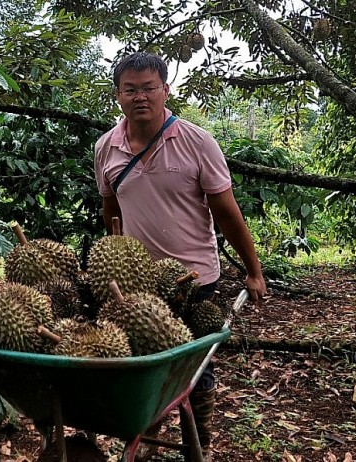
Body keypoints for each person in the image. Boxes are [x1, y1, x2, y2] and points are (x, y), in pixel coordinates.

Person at [93, 51, 267, 460]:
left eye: (149, 88)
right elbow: (110, 208)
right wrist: (117, 256)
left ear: (165, 90)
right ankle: (146, 435)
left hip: (195, 279)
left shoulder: (196, 141)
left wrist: (254, 271)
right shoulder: (106, 147)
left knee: (194, 366)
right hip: (140, 281)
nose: (141, 97)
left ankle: (197, 439)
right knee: (143, 361)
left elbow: (227, 212)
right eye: (130, 89)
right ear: (117, 95)